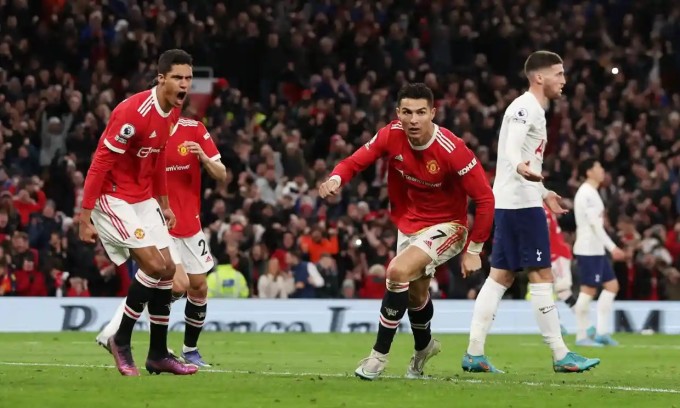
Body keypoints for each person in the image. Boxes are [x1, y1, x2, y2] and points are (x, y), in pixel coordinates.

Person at [319, 83, 495, 380]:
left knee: (396, 272)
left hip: (448, 226)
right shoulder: (391, 134)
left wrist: (475, 249)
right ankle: (424, 347)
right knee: (415, 295)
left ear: (433, 113)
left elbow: (485, 198)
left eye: (421, 112)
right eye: (407, 112)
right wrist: (336, 178)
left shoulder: (452, 149)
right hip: (410, 223)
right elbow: (354, 161)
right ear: (398, 113)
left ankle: (378, 357)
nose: (414, 120)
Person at [462, 50, 600, 373]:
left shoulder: (529, 107)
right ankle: (561, 354)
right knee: (541, 275)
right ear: (539, 77)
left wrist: (543, 192)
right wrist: (520, 167)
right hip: (521, 205)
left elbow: (522, 154)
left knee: (500, 276)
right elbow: (513, 147)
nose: (563, 80)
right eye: (558, 73)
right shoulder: (526, 107)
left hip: (516, 200)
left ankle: (474, 353)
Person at [79, 49, 197, 376]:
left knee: (171, 275)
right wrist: (84, 217)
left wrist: (164, 203)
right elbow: (100, 163)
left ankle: (157, 354)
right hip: (113, 197)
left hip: (143, 198)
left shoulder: (173, 111)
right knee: (155, 266)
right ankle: (120, 339)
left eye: (188, 78)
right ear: (161, 79)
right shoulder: (132, 113)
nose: (184, 84)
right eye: (177, 77)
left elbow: (157, 157)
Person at [96, 115, 227, 368]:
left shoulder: (194, 129)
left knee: (198, 286)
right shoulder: (146, 133)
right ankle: (120, 335)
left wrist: (203, 157)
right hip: (159, 221)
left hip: (190, 223)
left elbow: (221, 174)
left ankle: (190, 350)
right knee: (174, 283)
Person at [572, 159, 625, 346]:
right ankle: (581, 335)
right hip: (588, 249)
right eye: (598, 167)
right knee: (588, 290)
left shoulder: (593, 192)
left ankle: (602, 333)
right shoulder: (587, 193)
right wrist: (612, 247)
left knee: (612, 286)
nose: (602, 170)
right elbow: (594, 225)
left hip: (596, 249)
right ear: (589, 172)